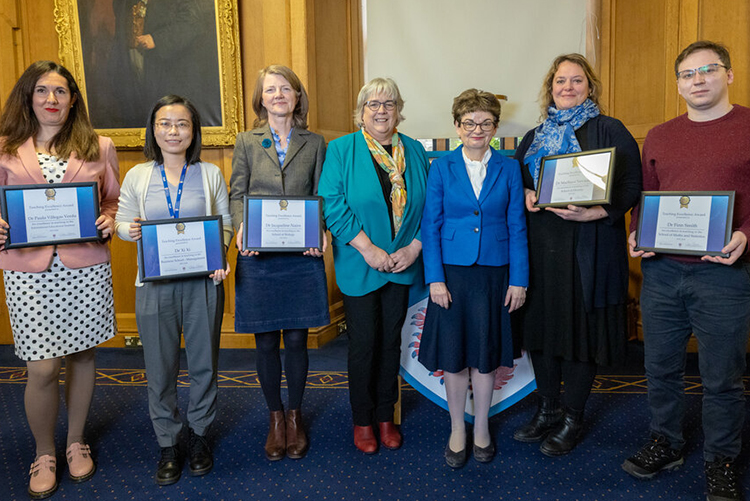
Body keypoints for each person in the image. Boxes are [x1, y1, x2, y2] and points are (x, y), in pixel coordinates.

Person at [622, 40, 750, 501]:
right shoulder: (659, 134)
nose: (697, 80)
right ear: (677, 84)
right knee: (659, 368)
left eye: (707, 70)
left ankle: (721, 460)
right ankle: (666, 442)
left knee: (722, 377)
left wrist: (746, 234)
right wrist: (638, 232)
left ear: (728, 75)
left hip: (724, 274)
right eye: (687, 74)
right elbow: (649, 194)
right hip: (662, 273)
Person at [0, 61, 120, 499]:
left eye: (61, 91)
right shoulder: (5, 148)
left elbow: (110, 200)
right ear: (28, 97)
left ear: (73, 99)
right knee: (42, 366)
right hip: (28, 273)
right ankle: (44, 450)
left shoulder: (99, 145)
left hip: (84, 268)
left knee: (83, 356)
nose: (52, 99)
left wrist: (107, 220)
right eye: (43, 91)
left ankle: (74, 441)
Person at [513, 53, 642, 456]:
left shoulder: (610, 129)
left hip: (589, 250)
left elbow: (631, 185)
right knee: (542, 331)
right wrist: (528, 193)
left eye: (577, 81)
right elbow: (517, 182)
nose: (567, 87)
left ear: (590, 87)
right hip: (541, 249)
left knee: (580, 335)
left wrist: (598, 211)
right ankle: (548, 407)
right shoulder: (534, 137)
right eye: (560, 81)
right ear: (549, 88)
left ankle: (573, 415)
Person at [115, 95, 232, 485]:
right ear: (153, 129)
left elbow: (225, 222)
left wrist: (222, 252)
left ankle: (199, 437)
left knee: (204, 366)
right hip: (154, 285)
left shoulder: (211, 173)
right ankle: (168, 442)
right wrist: (128, 229)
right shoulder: (138, 175)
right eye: (165, 123)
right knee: (160, 370)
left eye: (182, 124)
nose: (173, 131)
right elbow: (121, 221)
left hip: (202, 284)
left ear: (193, 130)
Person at [418, 89, 528, 468]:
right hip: (451, 275)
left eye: (485, 123)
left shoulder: (510, 167)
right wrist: (434, 278)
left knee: (485, 357)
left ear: (495, 127)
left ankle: (481, 427)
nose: (477, 129)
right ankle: (456, 429)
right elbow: (429, 228)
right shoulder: (441, 168)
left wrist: (520, 280)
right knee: (454, 356)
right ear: (457, 127)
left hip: (495, 275)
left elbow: (518, 226)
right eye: (469, 123)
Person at [318, 77, 428, 454]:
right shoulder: (341, 149)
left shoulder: (413, 150)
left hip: (401, 263)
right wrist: (368, 250)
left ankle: (386, 416)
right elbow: (332, 204)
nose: (381, 110)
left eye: (389, 103)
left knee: (390, 344)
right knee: (364, 345)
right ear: (361, 111)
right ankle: (362, 421)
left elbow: (431, 206)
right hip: (361, 264)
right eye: (373, 104)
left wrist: (414, 249)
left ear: (398, 110)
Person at [229, 65, 329, 461]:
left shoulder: (316, 141)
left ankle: (295, 416)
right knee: (267, 340)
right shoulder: (246, 141)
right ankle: (275, 419)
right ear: (261, 98)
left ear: (297, 96)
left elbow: (321, 193)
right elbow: (238, 194)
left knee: (297, 340)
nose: (278, 95)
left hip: (302, 257)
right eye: (270, 90)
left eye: (285, 88)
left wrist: (319, 231)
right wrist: (241, 230)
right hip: (259, 256)